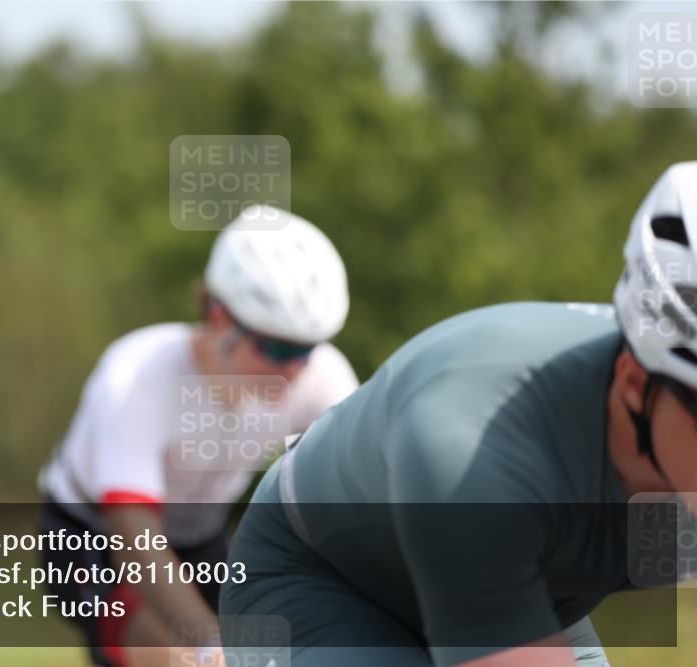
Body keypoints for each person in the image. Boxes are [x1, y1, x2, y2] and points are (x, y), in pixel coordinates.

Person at [220, 161, 697, 667]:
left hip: (519, 579)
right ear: (634, 384)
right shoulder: (472, 446)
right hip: (322, 581)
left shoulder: (666, 427)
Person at [38, 205, 360, 667]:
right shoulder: (136, 377)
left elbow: (361, 500)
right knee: (183, 660)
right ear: (217, 316)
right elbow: (135, 536)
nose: (293, 369)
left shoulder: (322, 377)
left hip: (201, 535)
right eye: (275, 347)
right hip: (92, 535)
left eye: (307, 349)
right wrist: (212, 647)